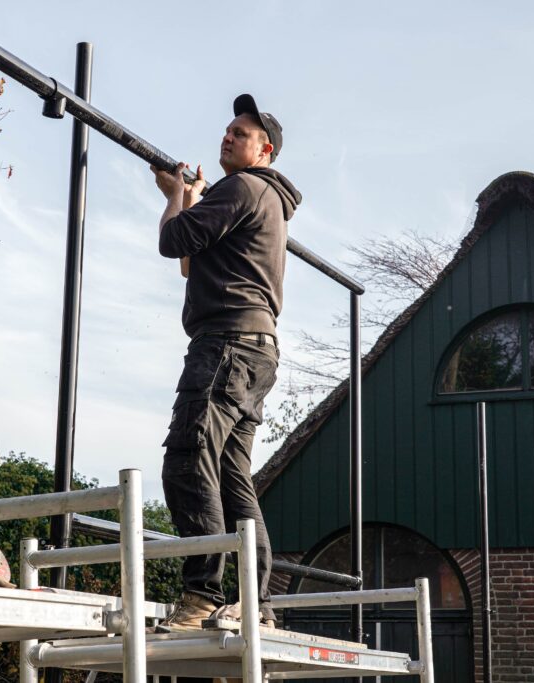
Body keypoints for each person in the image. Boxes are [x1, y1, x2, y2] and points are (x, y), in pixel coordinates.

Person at [150, 94, 302, 631]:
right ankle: (254, 605)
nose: (228, 136)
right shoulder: (264, 199)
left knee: (189, 460)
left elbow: (172, 241)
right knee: (234, 477)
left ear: (265, 151)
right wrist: (190, 198)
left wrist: (173, 196)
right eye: (228, 129)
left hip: (226, 347)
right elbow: (193, 265)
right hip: (257, 351)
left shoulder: (243, 186)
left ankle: (202, 595)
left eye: (241, 133)